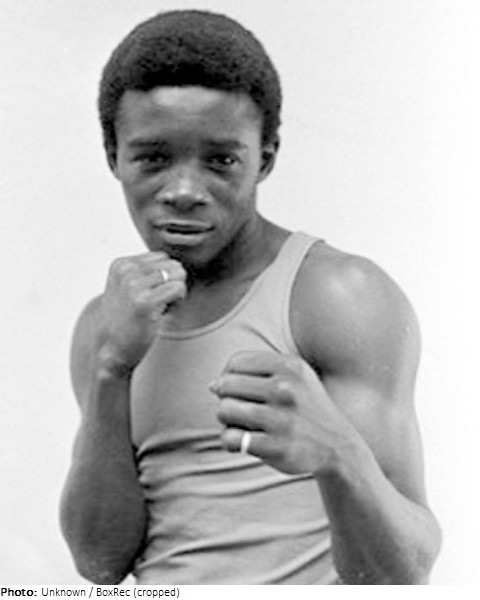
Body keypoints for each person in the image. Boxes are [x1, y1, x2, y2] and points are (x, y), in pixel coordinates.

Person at [59, 9, 441, 585]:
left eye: (221, 161)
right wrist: (111, 367)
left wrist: (337, 454)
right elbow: (100, 566)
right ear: (113, 156)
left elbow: (404, 574)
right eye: (154, 158)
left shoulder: (337, 295)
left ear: (265, 157)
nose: (184, 191)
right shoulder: (105, 325)